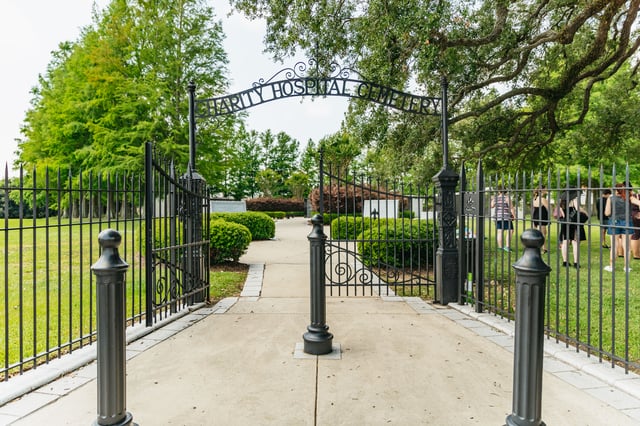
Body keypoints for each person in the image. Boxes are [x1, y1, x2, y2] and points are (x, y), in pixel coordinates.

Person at [604, 183, 640, 272]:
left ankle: (611, 266)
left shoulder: (611, 198)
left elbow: (607, 213)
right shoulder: (629, 197)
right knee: (627, 246)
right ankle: (626, 267)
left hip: (614, 222)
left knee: (614, 246)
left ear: (615, 190)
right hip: (627, 222)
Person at [558, 194, 588, 268]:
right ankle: (576, 263)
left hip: (565, 222)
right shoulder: (574, 199)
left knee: (565, 242)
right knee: (575, 242)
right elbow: (577, 209)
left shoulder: (561, 199)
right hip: (574, 222)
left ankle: (565, 261)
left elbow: (561, 211)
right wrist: (585, 211)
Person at [491, 186, 516, 252]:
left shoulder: (496, 198)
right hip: (506, 217)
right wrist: (514, 216)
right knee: (510, 231)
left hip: (498, 217)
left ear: (499, 191)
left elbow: (492, 206)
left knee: (500, 232)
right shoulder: (507, 198)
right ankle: (507, 246)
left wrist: (493, 199)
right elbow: (511, 208)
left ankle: (500, 247)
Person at [532, 187, 550, 253]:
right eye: (545, 189)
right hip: (542, 217)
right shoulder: (542, 199)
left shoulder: (534, 199)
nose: (546, 190)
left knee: (536, 233)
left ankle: (537, 247)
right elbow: (548, 208)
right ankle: (543, 248)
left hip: (535, 216)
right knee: (543, 233)